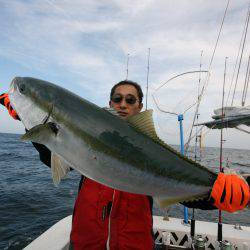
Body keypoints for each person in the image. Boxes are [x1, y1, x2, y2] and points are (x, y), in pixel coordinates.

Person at [1, 80, 249, 250]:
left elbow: (183, 193)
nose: (123, 104)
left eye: (131, 100)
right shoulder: (89, 141)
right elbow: (54, 156)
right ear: (110, 104)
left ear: (139, 108)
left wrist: (219, 195)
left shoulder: (155, 154)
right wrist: (28, 121)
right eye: (117, 99)